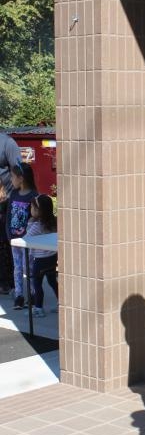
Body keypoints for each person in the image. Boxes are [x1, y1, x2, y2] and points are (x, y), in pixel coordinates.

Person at [6, 162, 38, 309]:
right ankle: (19, 295)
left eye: (12, 176)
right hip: (14, 239)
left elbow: (36, 219)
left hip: (28, 241)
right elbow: (8, 216)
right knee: (17, 268)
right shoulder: (13, 194)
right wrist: (8, 234)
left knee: (29, 268)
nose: (11, 179)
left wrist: (29, 237)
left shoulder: (33, 196)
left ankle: (33, 294)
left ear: (21, 178)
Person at [25, 194, 58, 317]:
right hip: (52, 257)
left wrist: (29, 223)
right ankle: (61, 302)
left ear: (39, 211)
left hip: (39, 260)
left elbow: (26, 239)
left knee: (37, 283)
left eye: (32, 208)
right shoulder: (53, 221)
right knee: (52, 281)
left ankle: (38, 308)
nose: (30, 210)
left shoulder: (36, 226)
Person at [0, 132, 21, 295]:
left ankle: (9, 282)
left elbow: (18, 172)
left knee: (5, 243)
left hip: (5, 202)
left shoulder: (8, 143)